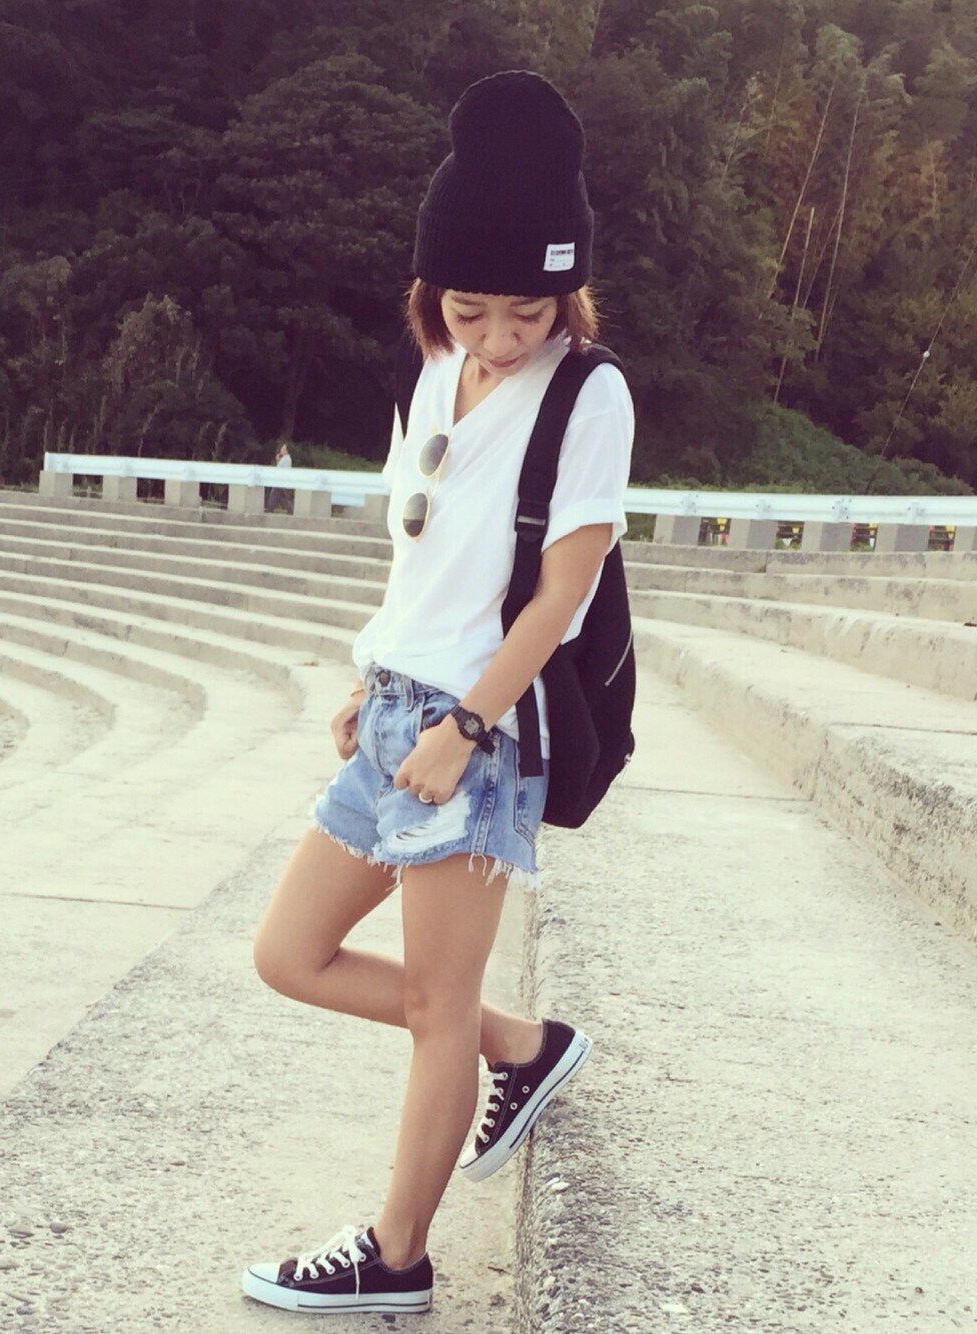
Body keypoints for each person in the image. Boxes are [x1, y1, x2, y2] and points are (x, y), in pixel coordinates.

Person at [242, 70, 634, 1316]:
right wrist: (373, 676)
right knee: (288, 952)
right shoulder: (430, 369)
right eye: (471, 309)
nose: (499, 338)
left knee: (432, 1006)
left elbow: (557, 595)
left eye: (528, 311)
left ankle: (397, 1256)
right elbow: (422, 552)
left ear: (565, 295)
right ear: (431, 292)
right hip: (395, 710)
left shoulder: (588, 392)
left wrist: (465, 725)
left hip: (480, 729)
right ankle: (525, 1044)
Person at [267, 442, 293, 514]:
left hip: (280, 480)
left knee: (274, 494)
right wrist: (278, 460)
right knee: (282, 497)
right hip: (280, 480)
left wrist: (278, 461)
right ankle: (290, 510)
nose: (281, 450)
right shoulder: (285, 459)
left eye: (283, 449)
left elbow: (280, 469)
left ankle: (270, 509)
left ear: (286, 451)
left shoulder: (286, 459)